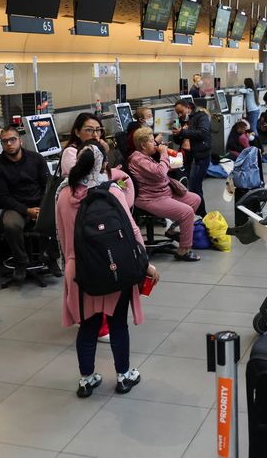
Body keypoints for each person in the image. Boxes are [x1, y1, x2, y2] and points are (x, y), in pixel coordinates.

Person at [55, 141, 160, 397]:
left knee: (88, 327)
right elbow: (132, 229)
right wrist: (145, 263)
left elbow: (61, 237)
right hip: (116, 266)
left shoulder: (63, 196)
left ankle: (87, 380)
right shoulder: (112, 191)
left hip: (79, 270)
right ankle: (124, 376)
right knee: (117, 324)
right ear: (103, 164)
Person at [0, 125, 62, 283]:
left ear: (20, 141)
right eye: (5, 141)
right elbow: (2, 198)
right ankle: (21, 261)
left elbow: (47, 187)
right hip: (16, 207)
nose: (9, 144)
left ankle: (50, 256)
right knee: (10, 224)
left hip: (39, 203)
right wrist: (26, 210)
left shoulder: (36, 159)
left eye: (12, 139)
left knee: (58, 215)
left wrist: (43, 208)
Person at [129, 127, 201, 262]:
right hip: (151, 198)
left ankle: (173, 230)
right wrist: (163, 154)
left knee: (195, 199)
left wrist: (171, 158)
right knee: (186, 212)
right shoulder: (138, 159)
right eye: (152, 141)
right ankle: (183, 250)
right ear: (143, 145)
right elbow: (160, 173)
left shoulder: (147, 156)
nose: (156, 144)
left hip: (163, 192)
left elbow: (167, 167)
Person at [61, 112, 134, 206]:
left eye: (98, 130)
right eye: (89, 130)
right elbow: (87, 179)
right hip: (80, 203)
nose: (95, 135)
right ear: (77, 132)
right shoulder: (70, 152)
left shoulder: (99, 151)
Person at [172, 98, 211, 216]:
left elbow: (202, 133)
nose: (179, 115)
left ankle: (202, 215)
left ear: (188, 108)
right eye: (177, 113)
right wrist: (177, 134)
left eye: (181, 111)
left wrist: (183, 132)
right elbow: (177, 140)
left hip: (199, 156)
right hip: (186, 156)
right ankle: (195, 215)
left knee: (195, 187)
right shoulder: (179, 120)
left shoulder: (201, 116)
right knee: (188, 186)